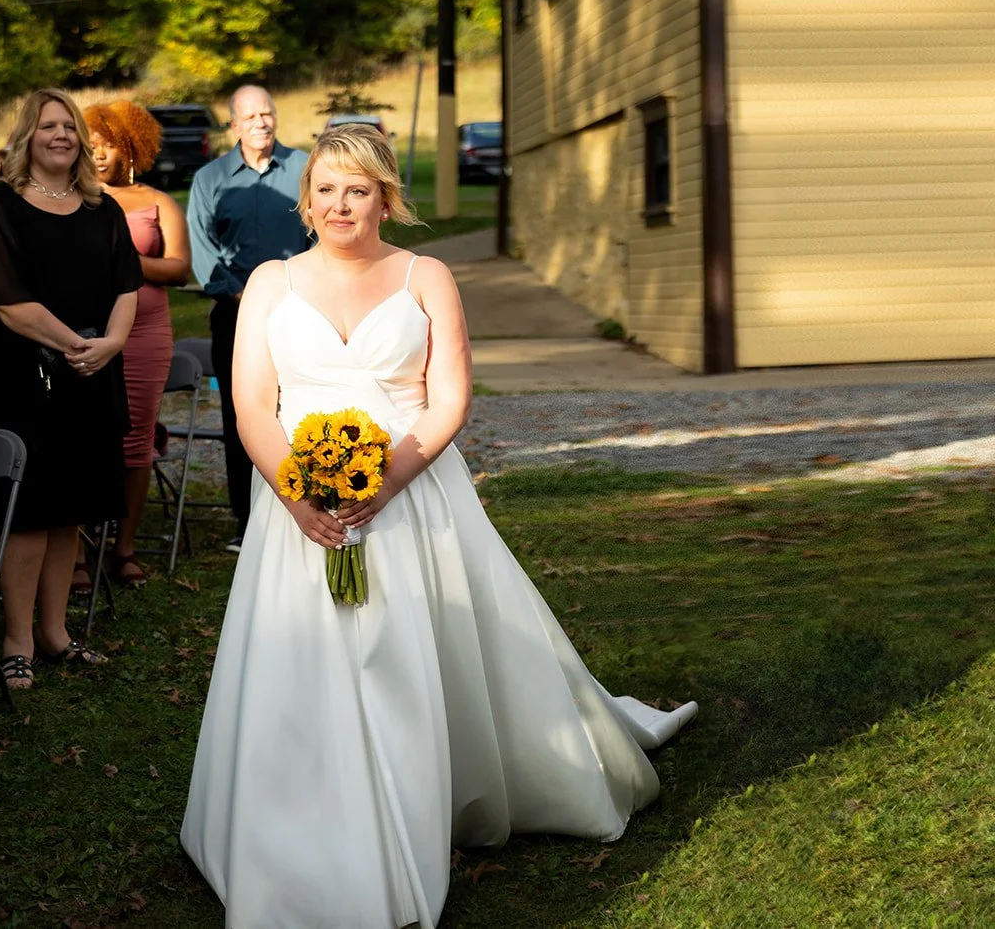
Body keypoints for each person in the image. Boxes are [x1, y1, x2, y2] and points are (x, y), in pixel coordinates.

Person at [181, 126, 697, 927]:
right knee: (310, 655)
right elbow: (252, 403)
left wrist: (383, 483)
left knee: (426, 650)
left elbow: (449, 397)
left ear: (386, 197)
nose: (340, 203)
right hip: (301, 501)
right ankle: (303, 812)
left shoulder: (426, 275)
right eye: (325, 188)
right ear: (306, 199)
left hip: (414, 489)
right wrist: (295, 496)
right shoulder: (270, 284)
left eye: (358, 189)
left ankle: (438, 792)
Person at [0, 88, 142, 690]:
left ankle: (56, 633)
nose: (61, 135)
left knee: (71, 512)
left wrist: (109, 345)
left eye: (70, 127)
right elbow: (7, 301)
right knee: (30, 513)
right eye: (48, 126)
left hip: (90, 378)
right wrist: (76, 345)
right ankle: (17, 639)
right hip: (22, 383)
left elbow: (126, 287)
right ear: (27, 135)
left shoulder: (101, 208)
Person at [185, 85, 310, 551]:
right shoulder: (210, 179)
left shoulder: (303, 169)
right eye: (251, 116)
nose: (261, 122)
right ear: (233, 124)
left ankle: (306, 507)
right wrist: (245, 296)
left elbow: (320, 236)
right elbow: (203, 251)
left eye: (268, 113)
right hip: (235, 317)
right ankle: (249, 521)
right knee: (244, 416)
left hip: (300, 315)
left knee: (299, 410)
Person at [84, 100, 191, 586]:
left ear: (130, 147)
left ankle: (123, 547)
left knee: (136, 441)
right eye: (91, 146)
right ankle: (79, 551)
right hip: (85, 332)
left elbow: (179, 268)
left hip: (146, 335)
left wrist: (123, 258)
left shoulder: (158, 202)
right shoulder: (73, 197)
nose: (98, 154)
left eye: (107, 145)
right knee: (86, 437)